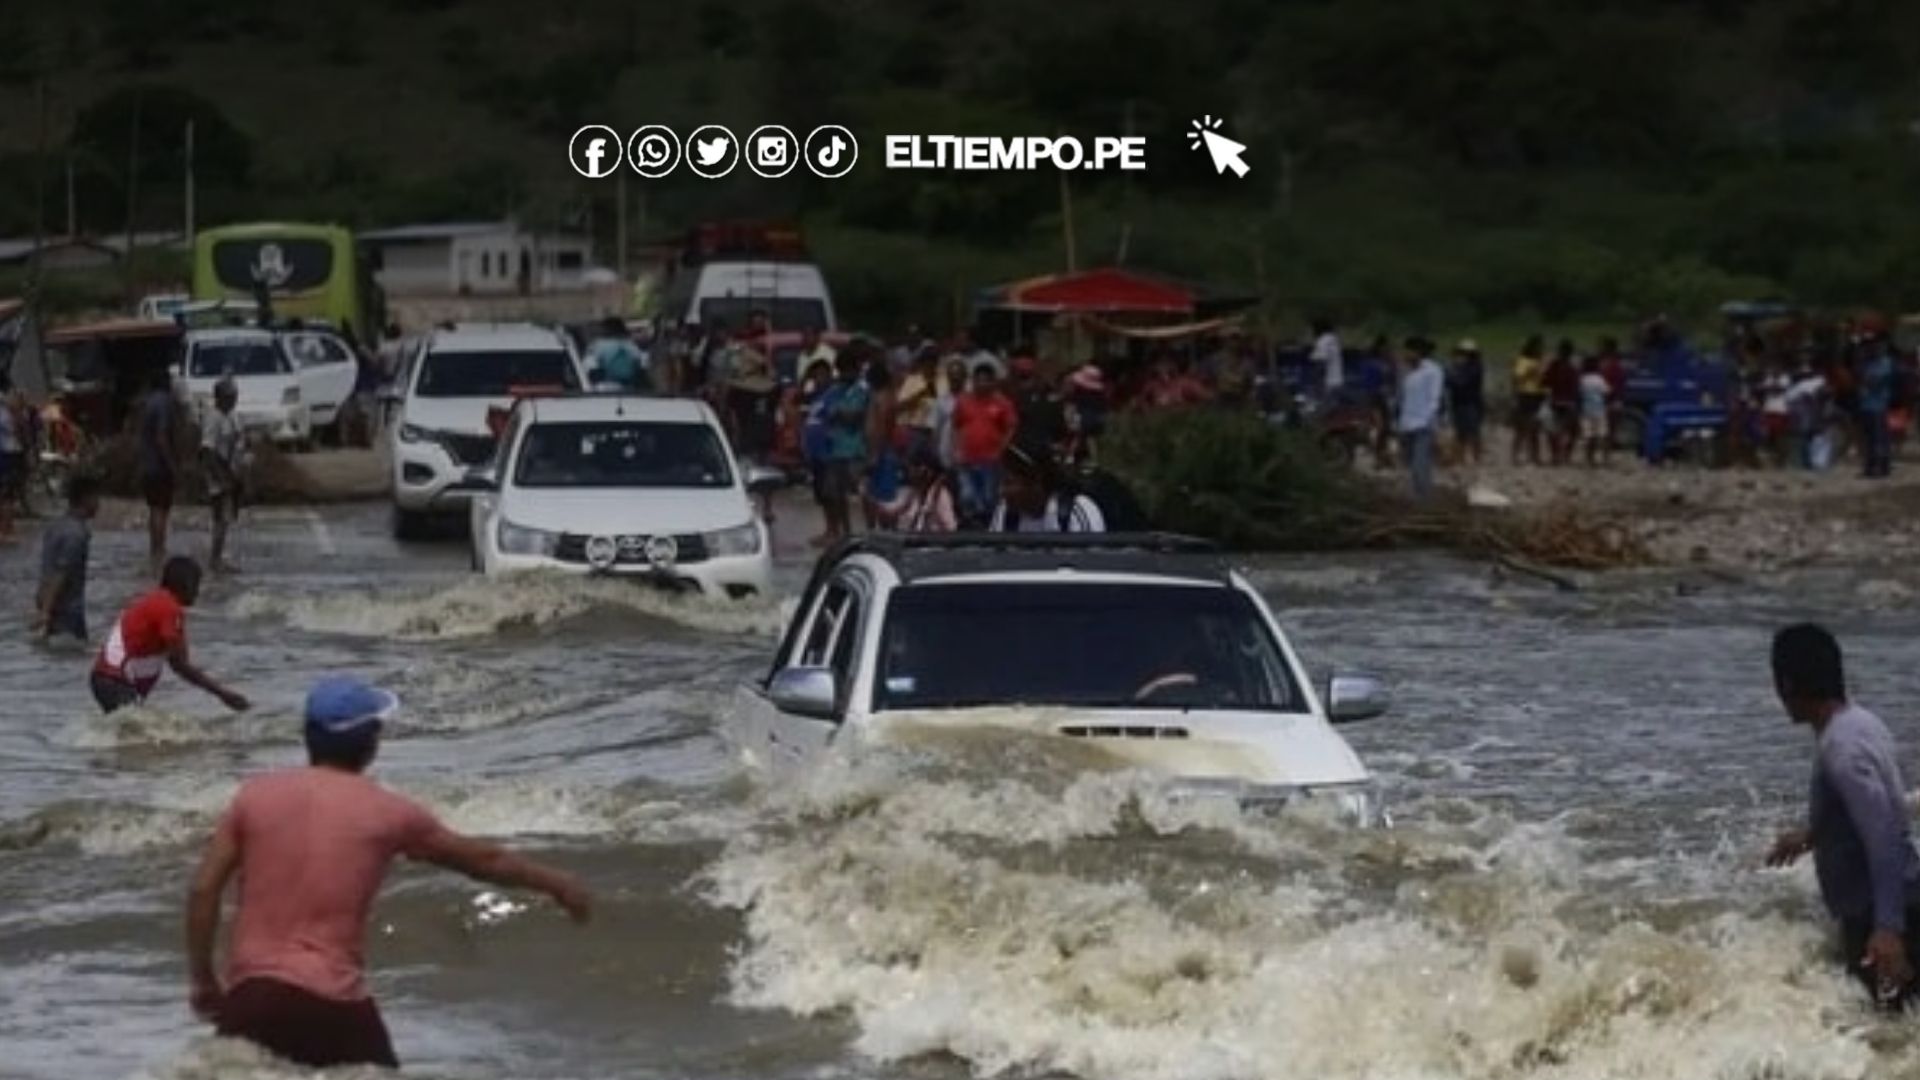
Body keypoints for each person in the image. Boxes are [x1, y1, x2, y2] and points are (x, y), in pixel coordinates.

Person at [186, 677, 592, 1071]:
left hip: (252, 999)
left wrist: (204, 980)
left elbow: (203, 889)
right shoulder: (389, 812)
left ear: (308, 736)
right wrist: (557, 883)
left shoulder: (255, 797)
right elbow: (484, 861)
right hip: (332, 1004)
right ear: (371, 743)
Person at [1763, 624, 1920, 1011]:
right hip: (1897, 903)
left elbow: (1885, 835)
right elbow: (1884, 807)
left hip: (1880, 916)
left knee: (1882, 1031)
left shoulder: (1842, 750)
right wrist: (1815, 835)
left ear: (1786, 684)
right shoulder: (1861, 722)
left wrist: (1887, 929)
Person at [91, 556, 249, 714]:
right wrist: (223, 694)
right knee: (140, 728)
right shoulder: (169, 608)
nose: (198, 592)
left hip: (107, 679)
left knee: (132, 726)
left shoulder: (155, 601)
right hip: (115, 680)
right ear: (186, 584)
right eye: (197, 585)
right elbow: (179, 664)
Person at [34, 474, 100, 644]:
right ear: (86, 499)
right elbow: (61, 573)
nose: (99, 504)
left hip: (47, 602)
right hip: (67, 610)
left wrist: (43, 607)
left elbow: (48, 568)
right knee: (74, 652)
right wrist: (46, 612)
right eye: (96, 498)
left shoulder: (56, 526)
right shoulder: (77, 534)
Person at [951, 363, 1018, 526]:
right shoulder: (963, 401)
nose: (981, 384)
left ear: (992, 382)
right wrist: (956, 450)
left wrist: (1002, 449)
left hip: (991, 459)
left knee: (988, 498)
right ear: (973, 381)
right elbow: (956, 426)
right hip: (966, 459)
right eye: (978, 380)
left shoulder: (1002, 403)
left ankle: (987, 527)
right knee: (967, 496)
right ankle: (970, 527)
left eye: (985, 380)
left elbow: (1011, 427)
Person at [988, 441, 1106, 532]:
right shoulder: (1005, 513)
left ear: (1036, 481)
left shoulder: (1075, 511)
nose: (1001, 491)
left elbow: (1092, 556)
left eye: (1009, 483)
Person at [816, 351, 870, 546]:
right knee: (834, 494)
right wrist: (841, 413)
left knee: (862, 494)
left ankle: (870, 532)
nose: (843, 375)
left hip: (855, 449)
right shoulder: (835, 390)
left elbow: (855, 415)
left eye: (847, 370)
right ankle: (846, 533)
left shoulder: (862, 389)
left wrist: (840, 413)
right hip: (835, 448)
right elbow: (826, 411)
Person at [201, 378, 250, 575]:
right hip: (220, 472)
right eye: (230, 396)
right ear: (220, 398)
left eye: (235, 396)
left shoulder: (232, 417)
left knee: (227, 517)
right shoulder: (213, 418)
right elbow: (207, 451)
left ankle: (219, 556)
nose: (233, 399)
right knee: (221, 517)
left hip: (232, 471)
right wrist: (221, 477)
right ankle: (215, 559)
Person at [138, 366, 180, 568]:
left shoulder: (147, 402)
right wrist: (172, 464)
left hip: (146, 464)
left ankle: (154, 551)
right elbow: (161, 437)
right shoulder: (164, 402)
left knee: (154, 508)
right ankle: (159, 551)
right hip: (159, 465)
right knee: (161, 509)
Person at [1396, 337, 1444, 500]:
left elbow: (1434, 399)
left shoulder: (1432, 371)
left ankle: (1424, 498)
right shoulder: (1407, 372)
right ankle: (1416, 495)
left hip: (1423, 425)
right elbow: (1403, 399)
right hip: (1406, 424)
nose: (1404, 354)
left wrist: (1430, 421)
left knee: (1420, 463)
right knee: (1410, 464)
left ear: (1417, 352)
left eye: (1408, 351)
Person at [871, 447, 958, 533]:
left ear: (927, 471)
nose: (910, 472)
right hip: (910, 538)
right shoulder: (911, 494)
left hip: (931, 540)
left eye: (914, 467)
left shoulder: (940, 495)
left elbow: (951, 528)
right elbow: (892, 512)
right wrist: (874, 504)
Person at [895, 346, 946, 460]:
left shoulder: (944, 380)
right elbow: (900, 406)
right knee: (910, 464)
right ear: (922, 362)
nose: (930, 364)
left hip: (938, 432)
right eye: (927, 360)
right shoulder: (912, 380)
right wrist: (921, 395)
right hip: (915, 431)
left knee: (936, 465)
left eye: (933, 360)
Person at [1857, 332, 1894, 479]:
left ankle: (1882, 465)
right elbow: (1863, 380)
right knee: (1869, 438)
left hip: (1879, 405)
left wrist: (1867, 382)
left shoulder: (1885, 362)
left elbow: (1877, 381)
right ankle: (1870, 465)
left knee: (1879, 437)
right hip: (1866, 404)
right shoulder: (1867, 363)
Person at [1446, 340, 1485, 467]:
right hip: (1459, 403)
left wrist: (1453, 372)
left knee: (1473, 431)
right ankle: (1461, 457)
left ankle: (1475, 456)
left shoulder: (1475, 367)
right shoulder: (1458, 367)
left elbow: (1461, 383)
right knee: (1460, 431)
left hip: (1471, 403)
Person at [1544, 339, 1581, 466]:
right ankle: (1566, 455)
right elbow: (1576, 386)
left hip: (1555, 401)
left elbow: (1545, 381)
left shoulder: (1554, 365)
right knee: (1572, 431)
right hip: (1568, 402)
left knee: (1554, 430)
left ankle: (1556, 455)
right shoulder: (1572, 368)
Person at [1511, 336, 1547, 467]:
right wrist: (1530, 372)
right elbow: (1517, 377)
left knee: (1535, 427)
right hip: (1525, 394)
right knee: (1522, 427)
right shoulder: (1523, 360)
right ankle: (1516, 455)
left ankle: (1535, 456)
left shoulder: (1541, 361)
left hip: (1538, 394)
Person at [588, 316, 648, 392]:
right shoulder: (632, 346)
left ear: (606, 329)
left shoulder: (598, 345)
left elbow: (590, 369)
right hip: (631, 389)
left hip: (605, 388)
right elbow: (641, 366)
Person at [1578, 355, 1611, 467]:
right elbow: (1606, 391)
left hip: (1586, 410)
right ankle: (1605, 459)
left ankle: (1589, 459)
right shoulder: (1599, 379)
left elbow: (1579, 393)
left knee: (1588, 436)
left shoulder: (1582, 379)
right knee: (1602, 434)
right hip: (1599, 409)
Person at [0, 386, 21, 542]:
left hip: (7, 454)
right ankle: (6, 529)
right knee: (7, 495)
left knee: (7, 495)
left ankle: (6, 529)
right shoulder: (6, 414)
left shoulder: (7, 414)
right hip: (7, 454)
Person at [1309, 318, 1343, 399]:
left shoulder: (1323, 341)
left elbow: (1321, 363)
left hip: (1327, 382)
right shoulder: (1334, 339)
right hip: (1337, 380)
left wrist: (1316, 382)